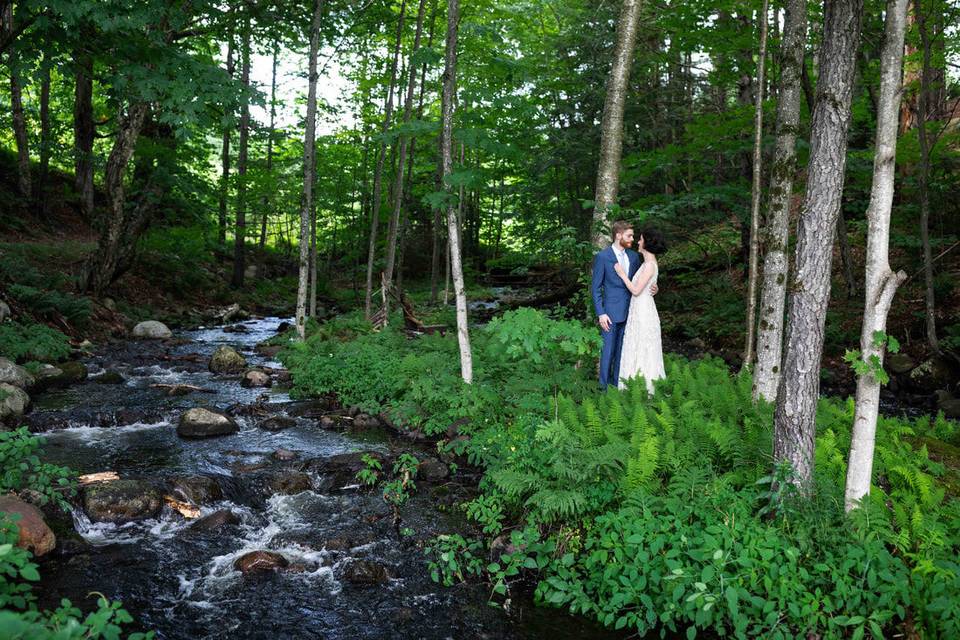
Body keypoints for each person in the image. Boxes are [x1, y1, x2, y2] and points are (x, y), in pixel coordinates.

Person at [591, 220, 657, 390]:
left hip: (632, 313)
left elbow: (638, 282)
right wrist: (601, 313)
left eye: (633, 236)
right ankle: (603, 390)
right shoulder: (602, 257)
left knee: (623, 352)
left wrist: (654, 286)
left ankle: (617, 387)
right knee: (607, 353)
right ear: (618, 235)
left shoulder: (634, 257)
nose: (632, 239)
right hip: (610, 315)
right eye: (629, 236)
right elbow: (596, 288)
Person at [614, 227, 667, 394]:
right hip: (639, 311)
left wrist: (622, 275)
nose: (638, 241)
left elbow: (636, 291)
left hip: (643, 313)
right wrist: (655, 288)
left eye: (641, 239)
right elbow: (646, 287)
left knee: (643, 349)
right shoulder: (647, 264)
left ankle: (644, 391)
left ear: (647, 243)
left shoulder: (649, 265)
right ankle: (635, 389)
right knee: (636, 347)